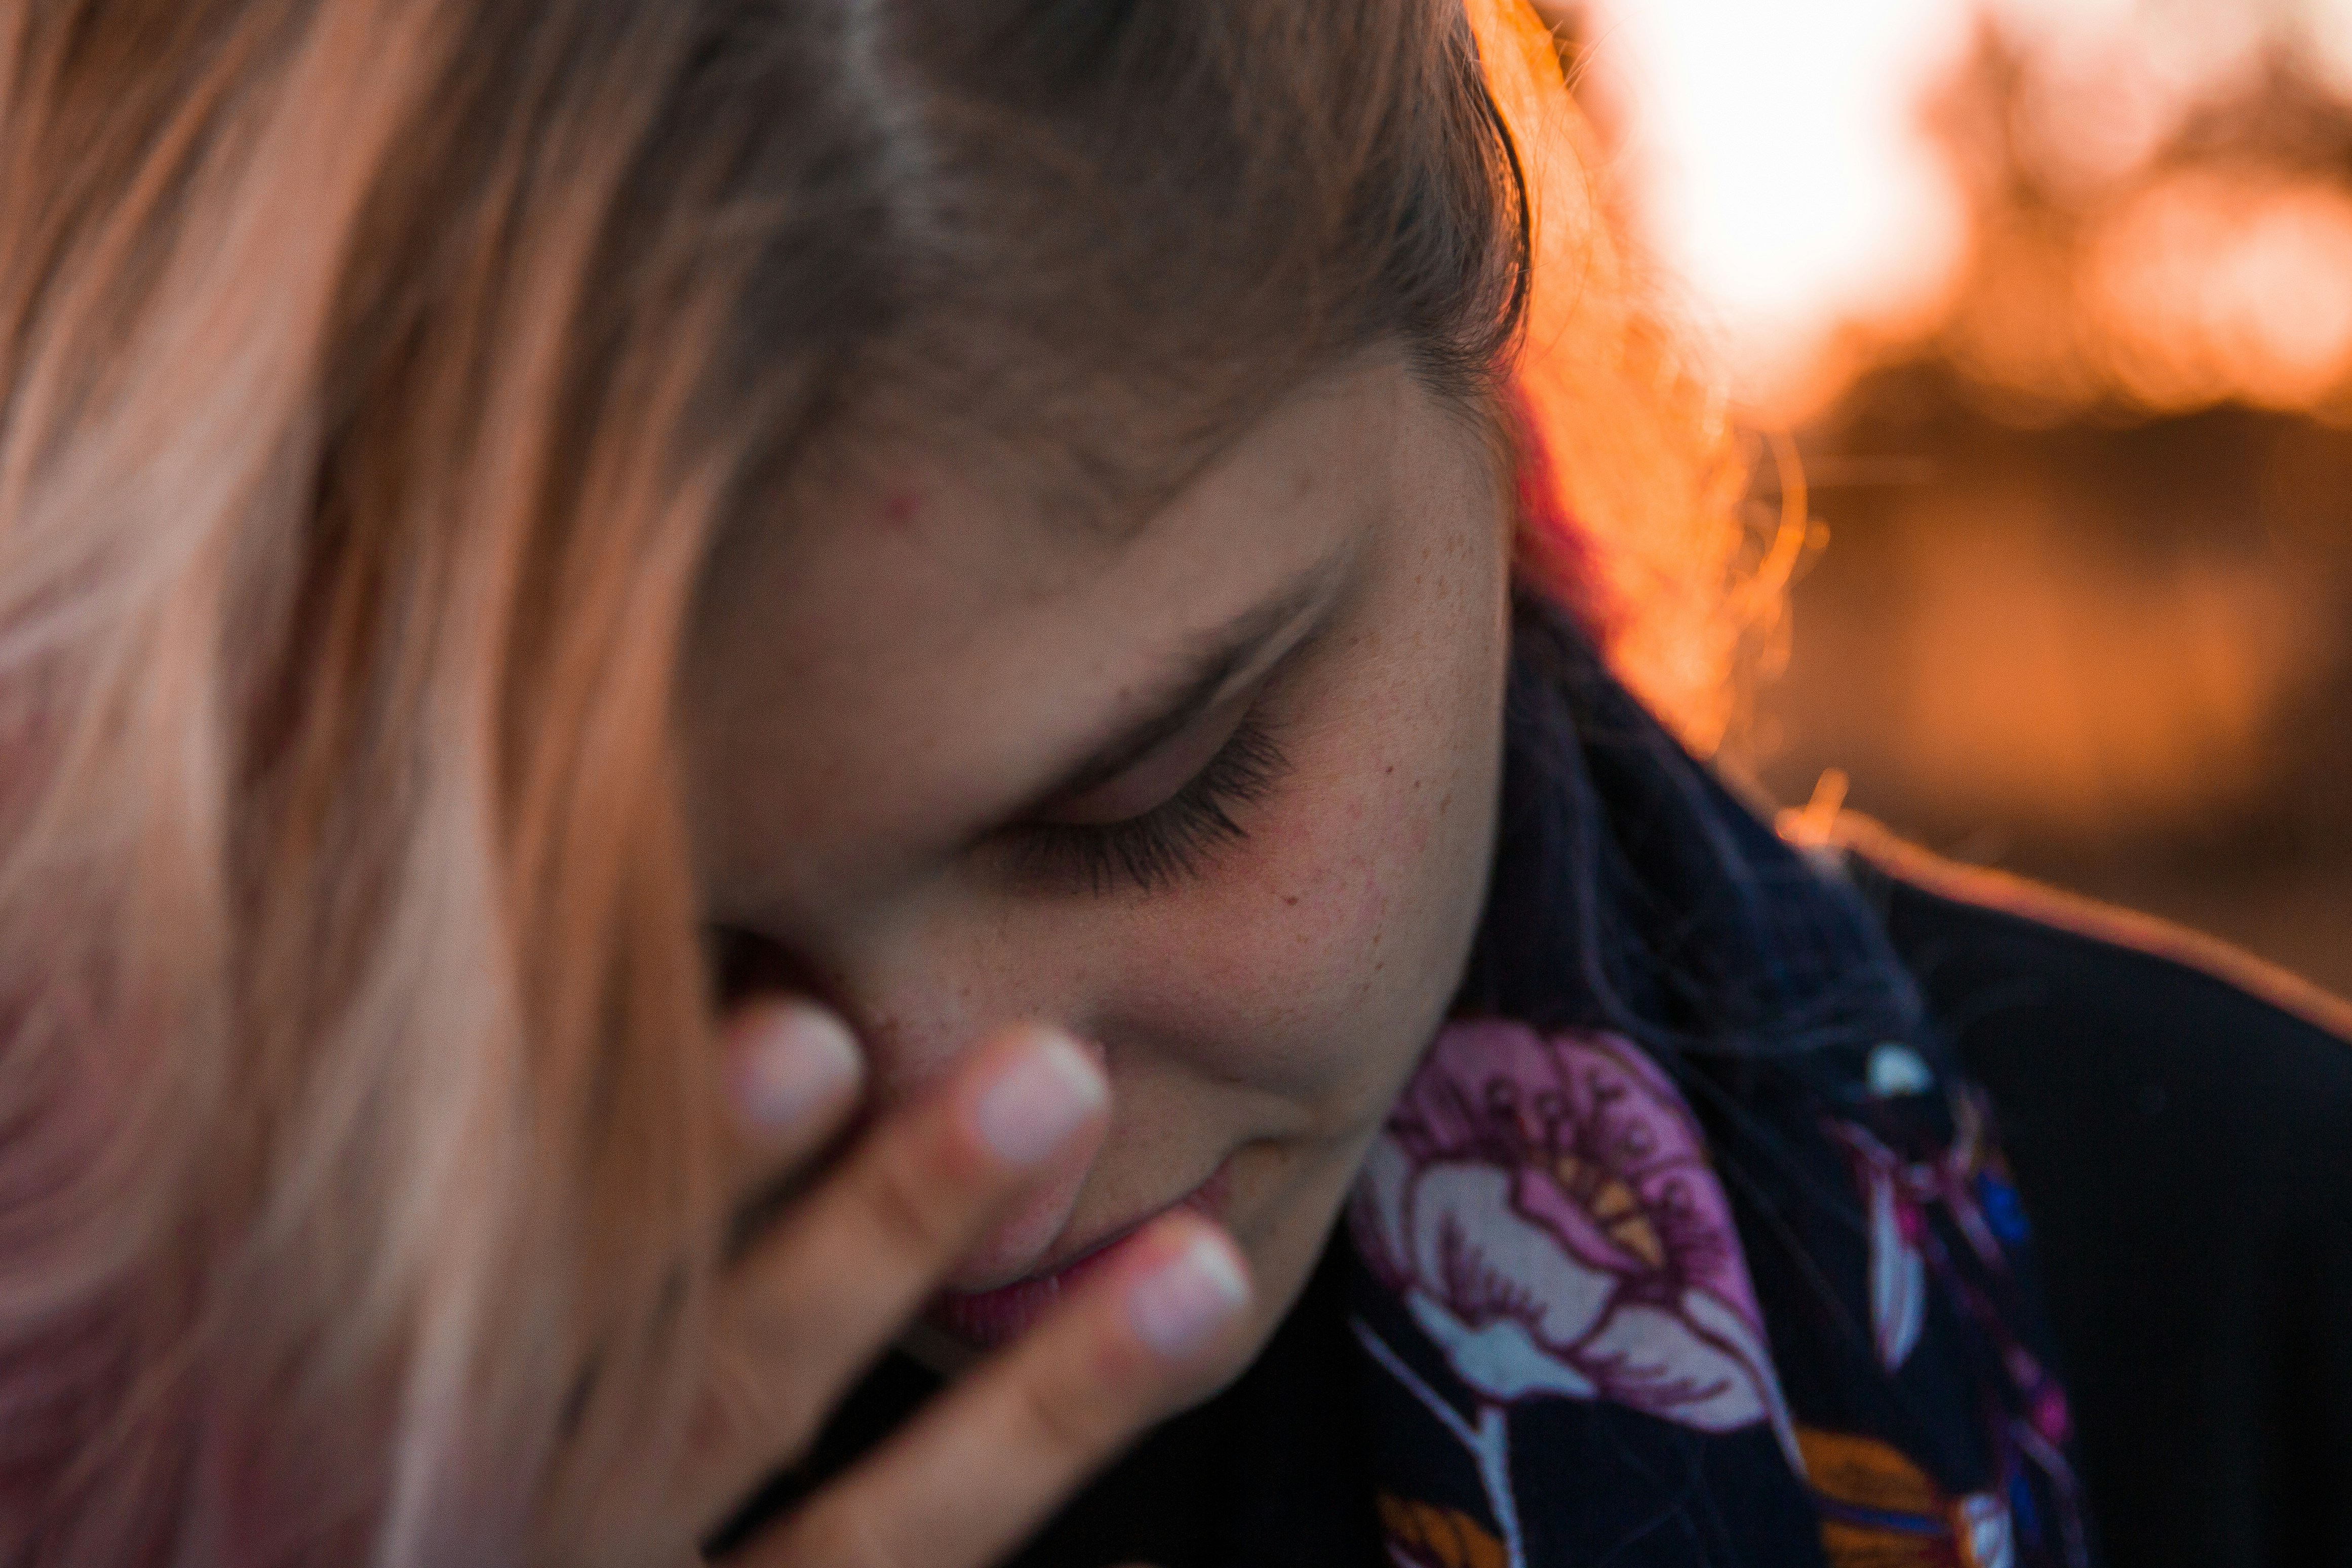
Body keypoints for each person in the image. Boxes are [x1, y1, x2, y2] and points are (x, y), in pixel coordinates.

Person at [1, 2, 2345, 1566]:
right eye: (642, 932)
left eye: (1155, 791)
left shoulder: (2252, 1281)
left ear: (1483, 347)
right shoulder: (139, 1435)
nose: (982, 1153)